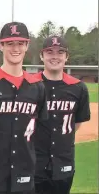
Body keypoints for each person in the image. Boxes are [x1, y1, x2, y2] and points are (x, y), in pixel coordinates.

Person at [0, 22, 49, 194]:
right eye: (10, 43)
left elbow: (38, 130)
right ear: (1, 45)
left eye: (20, 43)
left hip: (24, 173)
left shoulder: (37, 87)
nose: (15, 48)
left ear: (27, 45)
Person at [32, 36, 91, 194]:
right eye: (49, 52)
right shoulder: (29, 85)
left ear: (67, 56)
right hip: (32, 164)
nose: (55, 56)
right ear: (41, 55)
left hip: (63, 163)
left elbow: (76, 124)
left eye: (60, 52)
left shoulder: (78, 88)